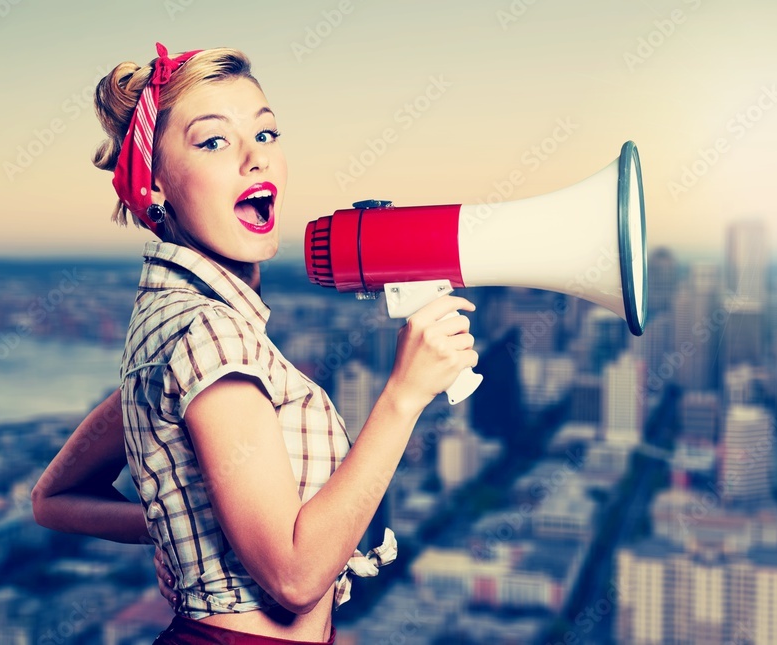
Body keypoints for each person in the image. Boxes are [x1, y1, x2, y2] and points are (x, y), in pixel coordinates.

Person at [31, 43, 478, 645]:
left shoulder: (174, 323)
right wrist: (404, 395)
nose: (254, 159)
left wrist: (177, 528)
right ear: (155, 184)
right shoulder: (209, 336)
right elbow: (294, 578)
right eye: (213, 141)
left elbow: (52, 498)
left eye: (266, 134)